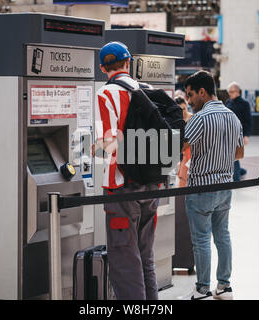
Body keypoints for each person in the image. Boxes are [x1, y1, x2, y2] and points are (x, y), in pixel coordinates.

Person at [93, 41, 160, 300]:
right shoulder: (147, 90)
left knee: (124, 259)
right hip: (152, 184)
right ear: (128, 62)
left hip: (120, 186)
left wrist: (90, 150)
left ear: (102, 67)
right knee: (145, 256)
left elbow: (110, 143)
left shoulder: (106, 94)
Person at [182, 70, 244, 300]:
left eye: (190, 95)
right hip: (225, 186)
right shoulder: (232, 116)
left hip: (200, 187)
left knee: (201, 240)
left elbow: (181, 148)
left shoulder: (199, 118)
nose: (189, 101)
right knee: (223, 236)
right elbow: (239, 153)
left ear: (202, 92)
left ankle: (202, 288)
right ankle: (224, 286)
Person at [172, 96, 195, 274]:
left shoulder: (194, 121)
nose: (182, 112)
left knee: (189, 217)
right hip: (180, 171)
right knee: (179, 215)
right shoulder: (174, 122)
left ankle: (188, 259)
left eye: (183, 109)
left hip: (190, 171)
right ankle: (180, 258)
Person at [226, 82, 252, 182]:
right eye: (229, 92)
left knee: (233, 156)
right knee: (230, 156)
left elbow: (248, 120)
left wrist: (246, 135)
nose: (230, 94)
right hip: (227, 133)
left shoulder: (244, 104)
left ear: (238, 92)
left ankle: (237, 180)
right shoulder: (228, 102)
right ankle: (241, 171)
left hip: (238, 134)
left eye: (232, 92)